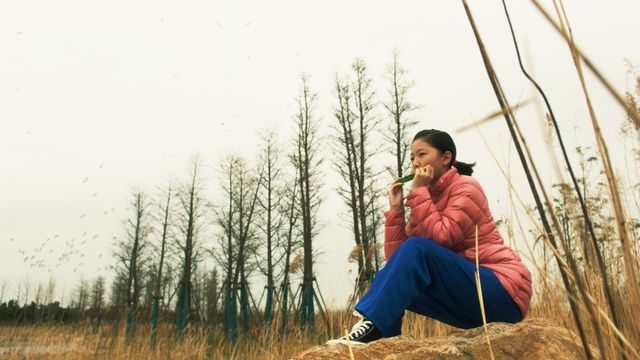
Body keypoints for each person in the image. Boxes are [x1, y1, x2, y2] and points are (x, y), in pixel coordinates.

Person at [327, 129, 532, 345]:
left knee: (416, 248)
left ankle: (374, 326)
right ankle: (382, 341)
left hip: (502, 290)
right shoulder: (424, 199)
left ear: (446, 158)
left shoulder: (466, 187)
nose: (415, 163)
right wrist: (396, 210)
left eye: (422, 154)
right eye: (412, 157)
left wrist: (419, 193)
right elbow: (399, 263)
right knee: (386, 275)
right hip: (471, 299)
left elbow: (443, 236)